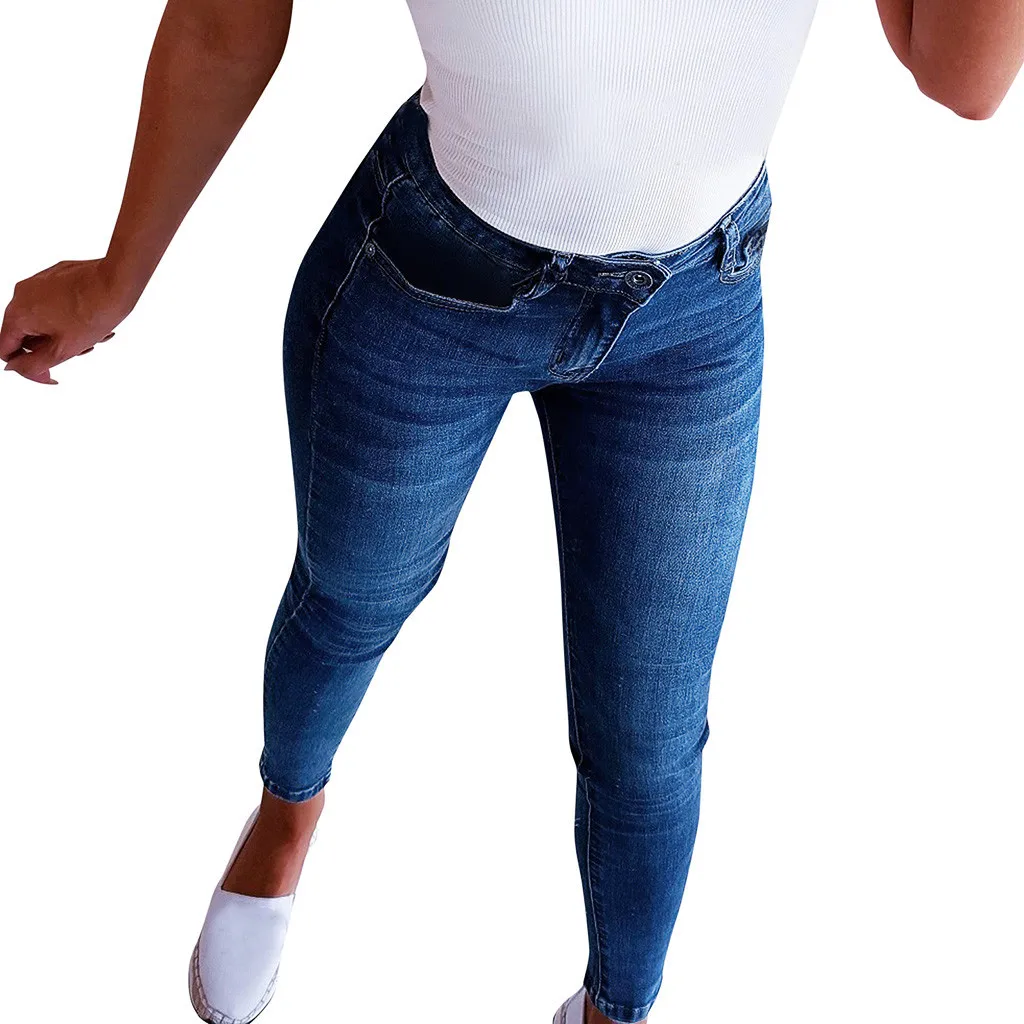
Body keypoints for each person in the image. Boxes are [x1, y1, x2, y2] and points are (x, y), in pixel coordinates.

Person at [2, 2, 1021, 1023]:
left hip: (690, 315)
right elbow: (227, 25)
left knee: (649, 738)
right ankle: (286, 809)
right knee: (353, 598)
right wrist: (115, 278)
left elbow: (963, 75)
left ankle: (616, 1008)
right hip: (433, 283)